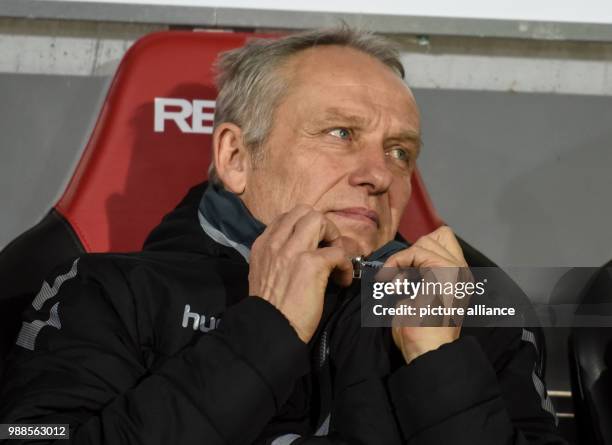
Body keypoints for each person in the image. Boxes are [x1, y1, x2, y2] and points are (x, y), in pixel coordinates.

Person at [0, 27, 566, 444]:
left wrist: (440, 363)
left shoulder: (470, 309)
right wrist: (264, 331)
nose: (380, 175)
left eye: (400, 152)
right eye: (341, 133)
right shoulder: (101, 291)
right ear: (235, 156)